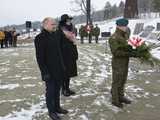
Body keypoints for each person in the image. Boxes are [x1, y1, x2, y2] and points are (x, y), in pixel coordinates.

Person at [34, 17, 68, 120]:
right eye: (52, 24)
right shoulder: (40, 38)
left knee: (57, 90)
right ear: (45, 25)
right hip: (49, 71)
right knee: (50, 92)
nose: (55, 26)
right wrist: (44, 72)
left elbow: (60, 51)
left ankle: (57, 107)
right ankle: (51, 111)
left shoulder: (56, 35)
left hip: (59, 69)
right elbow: (40, 58)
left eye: (55, 24)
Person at [109, 18, 136, 108]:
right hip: (118, 63)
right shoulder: (114, 37)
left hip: (125, 62)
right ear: (118, 26)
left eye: (126, 26)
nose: (125, 27)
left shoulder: (124, 36)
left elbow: (128, 43)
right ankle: (115, 100)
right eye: (124, 26)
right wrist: (129, 53)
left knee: (123, 80)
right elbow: (115, 52)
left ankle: (121, 96)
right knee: (117, 81)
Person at [58, 14, 78, 97]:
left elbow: (74, 43)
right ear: (64, 21)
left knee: (69, 72)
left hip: (71, 53)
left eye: (70, 20)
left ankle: (67, 88)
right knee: (64, 73)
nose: (70, 21)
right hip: (64, 54)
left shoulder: (72, 29)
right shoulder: (60, 30)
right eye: (68, 20)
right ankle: (64, 89)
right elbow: (58, 43)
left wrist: (75, 53)